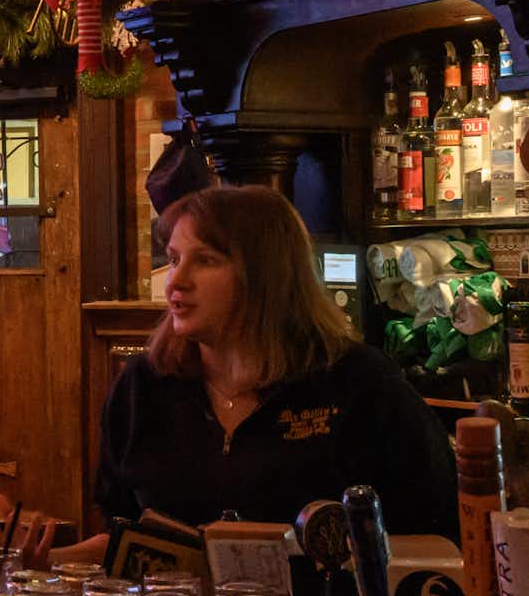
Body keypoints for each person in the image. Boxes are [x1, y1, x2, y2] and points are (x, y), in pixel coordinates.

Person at [93, 184, 453, 540]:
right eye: (174, 259)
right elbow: (120, 535)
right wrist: (44, 562)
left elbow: (436, 529)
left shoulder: (359, 383)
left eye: (205, 260)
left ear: (265, 275)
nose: (176, 281)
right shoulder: (145, 384)